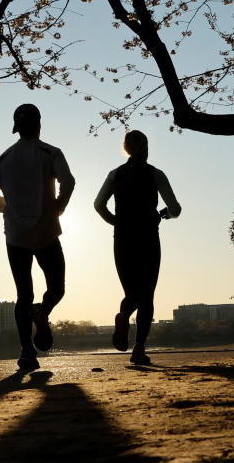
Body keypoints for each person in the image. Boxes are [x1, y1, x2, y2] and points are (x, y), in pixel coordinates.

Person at [0, 103, 75, 371]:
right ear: (39, 124)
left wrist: (9, 208)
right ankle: (43, 312)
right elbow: (68, 182)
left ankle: (26, 352)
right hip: (46, 232)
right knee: (57, 287)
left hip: (16, 236)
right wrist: (58, 207)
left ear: (16, 129)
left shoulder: (4, 159)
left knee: (23, 294)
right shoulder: (51, 153)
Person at [94, 130, 181, 365]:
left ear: (126, 149)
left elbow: (98, 204)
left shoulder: (114, 175)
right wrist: (163, 214)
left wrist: (115, 221)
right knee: (147, 295)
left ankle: (123, 316)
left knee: (132, 292)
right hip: (147, 238)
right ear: (146, 148)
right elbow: (175, 208)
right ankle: (138, 349)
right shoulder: (155, 174)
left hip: (122, 239)